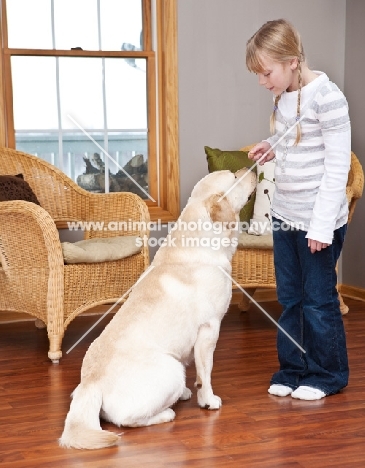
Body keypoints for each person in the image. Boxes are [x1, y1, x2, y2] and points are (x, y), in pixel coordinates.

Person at [246, 19, 351, 401]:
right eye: (257, 74)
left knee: (318, 301)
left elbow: (337, 167)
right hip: (285, 216)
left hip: (317, 223)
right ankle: (294, 369)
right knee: (290, 298)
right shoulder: (284, 95)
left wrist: (321, 227)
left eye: (266, 72)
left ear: (292, 61)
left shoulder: (329, 97)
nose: (262, 81)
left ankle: (327, 374)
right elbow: (294, 140)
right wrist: (271, 145)